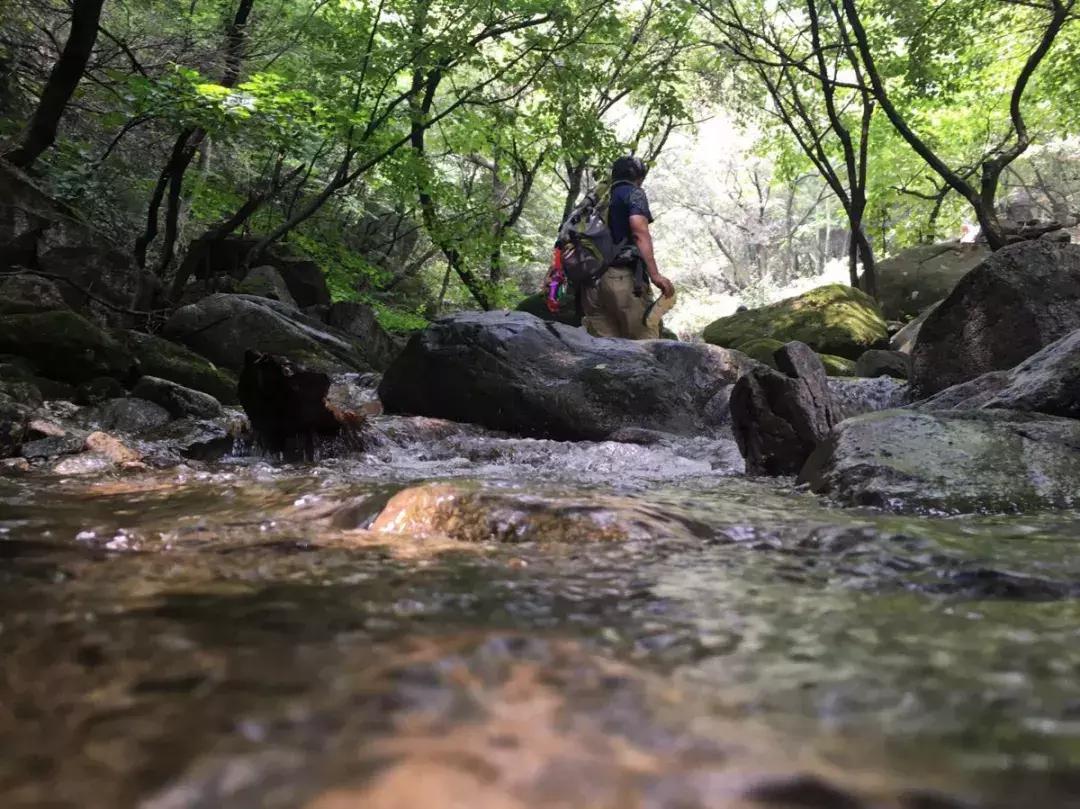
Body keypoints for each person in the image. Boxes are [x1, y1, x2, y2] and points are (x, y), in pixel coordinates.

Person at [579, 156, 675, 339]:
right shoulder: (634, 193)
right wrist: (655, 275)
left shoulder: (595, 202)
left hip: (590, 286)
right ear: (638, 177)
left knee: (607, 354)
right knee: (645, 348)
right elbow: (639, 231)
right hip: (621, 279)